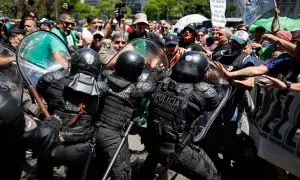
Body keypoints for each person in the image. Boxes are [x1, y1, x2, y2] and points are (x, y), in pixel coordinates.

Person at [140, 51, 220, 180]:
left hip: (151, 140)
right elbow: (213, 104)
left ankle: (142, 175)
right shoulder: (199, 93)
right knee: (213, 177)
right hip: (174, 150)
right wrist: (212, 79)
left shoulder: (162, 82)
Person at [35, 48, 106, 180]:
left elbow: (41, 91)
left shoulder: (52, 79)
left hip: (52, 143)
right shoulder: (101, 90)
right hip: (79, 148)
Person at [91, 50, 161, 180]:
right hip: (113, 136)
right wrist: (155, 70)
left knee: (96, 164)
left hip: (94, 128)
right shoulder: (134, 90)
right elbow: (150, 85)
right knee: (123, 173)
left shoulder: (105, 77)